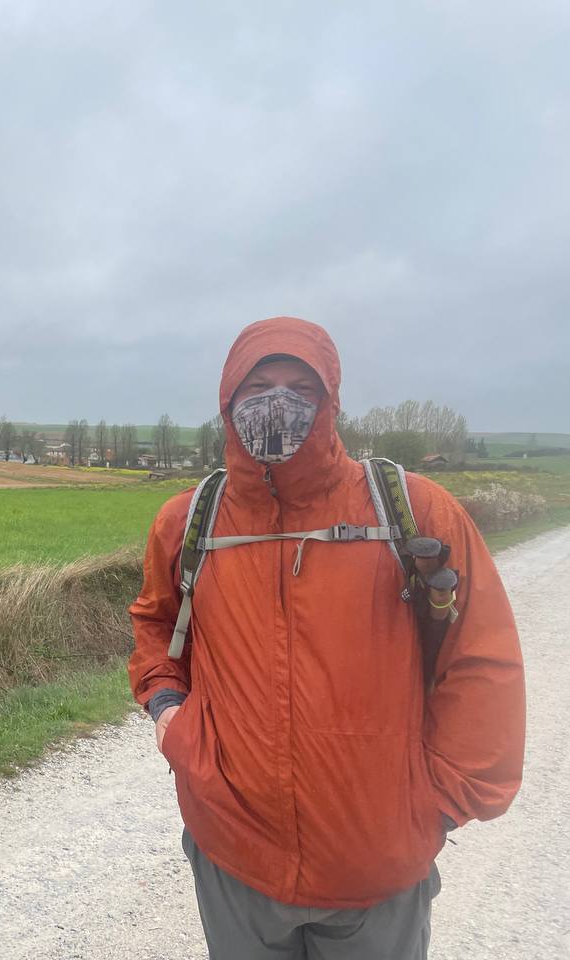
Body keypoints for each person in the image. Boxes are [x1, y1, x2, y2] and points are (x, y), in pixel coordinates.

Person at [129, 316, 525, 959]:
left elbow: (481, 657)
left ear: (331, 401)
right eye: (259, 386)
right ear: (228, 401)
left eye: (301, 387)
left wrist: (441, 803)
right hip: (233, 851)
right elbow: (156, 622)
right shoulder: (188, 521)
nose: (278, 403)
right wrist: (169, 710)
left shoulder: (414, 510)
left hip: (377, 864)